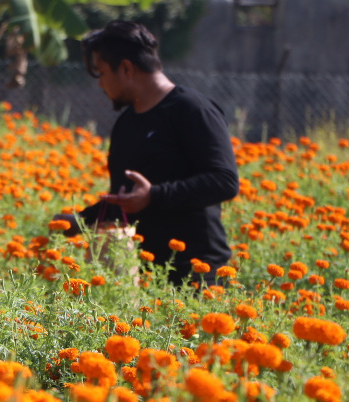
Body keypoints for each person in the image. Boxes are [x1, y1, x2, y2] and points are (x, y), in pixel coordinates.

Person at [53, 20, 239, 285]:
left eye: (102, 72)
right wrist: (79, 221)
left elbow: (225, 181)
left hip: (196, 277)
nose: (100, 84)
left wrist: (154, 195)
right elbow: (126, 199)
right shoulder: (127, 123)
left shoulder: (192, 110)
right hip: (141, 277)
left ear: (126, 68)